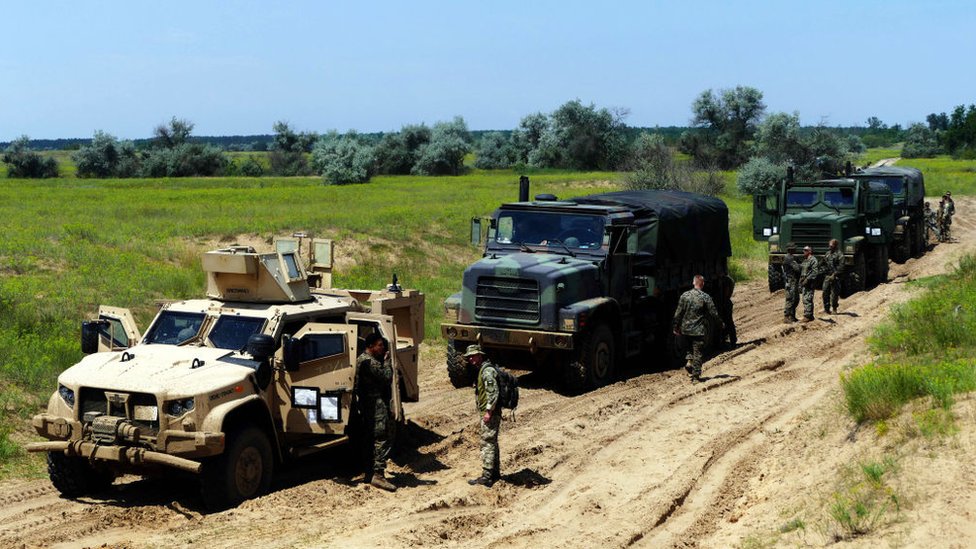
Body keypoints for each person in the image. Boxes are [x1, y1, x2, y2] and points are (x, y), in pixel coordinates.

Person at [356, 332, 396, 491]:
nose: (383, 348)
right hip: (375, 404)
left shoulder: (362, 360)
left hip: (368, 404)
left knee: (370, 438)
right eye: (380, 345)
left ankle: (369, 472)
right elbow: (387, 377)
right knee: (381, 437)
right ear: (370, 346)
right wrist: (387, 363)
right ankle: (378, 475)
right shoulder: (369, 363)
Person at [672, 275, 724, 382]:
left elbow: (678, 313)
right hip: (698, 331)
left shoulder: (684, 296)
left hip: (685, 330)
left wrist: (675, 326)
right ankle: (695, 377)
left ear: (693, 283)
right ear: (703, 284)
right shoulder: (705, 297)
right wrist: (720, 324)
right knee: (698, 353)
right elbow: (713, 313)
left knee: (689, 348)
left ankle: (689, 360)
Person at [465, 345, 502, 487]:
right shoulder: (482, 370)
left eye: (473, 356)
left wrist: (488, 412)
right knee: (492, 442)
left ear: (480, 355)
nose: (471, 359)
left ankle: (487, 476)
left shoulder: (487, 371)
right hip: (490, 412)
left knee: (487, 442)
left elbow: (493, 393)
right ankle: (494, 473)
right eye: (469, 357)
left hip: (490, 413)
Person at [821, 239, 844, 314]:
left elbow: (841, 267)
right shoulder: (827, 254)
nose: (830, 247)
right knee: (825, 292)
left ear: (835, 246)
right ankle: (826, 309)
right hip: (827, 276)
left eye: (831, 245)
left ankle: (834, 308)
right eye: (829, 245)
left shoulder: (840, 255)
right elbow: (823, 262)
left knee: (834, 294)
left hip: (835, 276)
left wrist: (834, 274)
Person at [799, 246, 819, 322]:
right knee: (805, 298)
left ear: (810, 251)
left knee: (808, 298)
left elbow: (815, 272)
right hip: (805, 283)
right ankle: (809, 315)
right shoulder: (805, 260)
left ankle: (808, 316)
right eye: (803, 250)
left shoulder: (813, 260)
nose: (804, 251)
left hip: (810, 283)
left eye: (805, 250)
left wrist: (807, 279)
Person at [782, 242, 801, 323]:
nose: (795, 249)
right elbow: (797, 269)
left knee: (796, 299)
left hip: (793, 281)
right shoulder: (789, 258)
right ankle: (786, 317)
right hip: (790, 281)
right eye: (794, 248)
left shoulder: (791, 257)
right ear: (790, 249)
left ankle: (792, 316)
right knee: (790, 299)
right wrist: (801, 265)